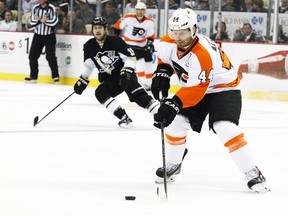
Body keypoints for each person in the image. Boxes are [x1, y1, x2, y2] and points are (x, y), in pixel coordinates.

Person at [151, 8, 270, 193]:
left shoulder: (202, 53)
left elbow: (197, 89)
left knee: (225, 127)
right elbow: (165, 60)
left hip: (224, 88)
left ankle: (252, 172)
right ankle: (174, 163)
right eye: (174, 32)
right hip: (197, 85)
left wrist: (172, 104)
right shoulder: (167, 41)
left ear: (194, 29)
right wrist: (162, 73)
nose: (178, 37)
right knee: (175, 124)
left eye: (183, 32)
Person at [73, 17, 159, 128]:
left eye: (100, 28)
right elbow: (89, 66)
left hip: (124, 75)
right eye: (95, 28)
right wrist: (82, 81)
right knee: (100, 92)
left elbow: (131, 56)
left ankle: (158, 113)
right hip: (109, 80)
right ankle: (124, 118)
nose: (98, 30)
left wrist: (127, 72)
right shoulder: (89, 46)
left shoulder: (116, 41)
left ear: (105, 29)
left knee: (136, 95)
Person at [114, 2, 155, 91]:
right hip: (130, 45)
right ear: (135, 10)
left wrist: (150, 44)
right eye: (138, 9)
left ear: (145, 11)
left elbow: (151, 36)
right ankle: (144, 84)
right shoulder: (128, 17)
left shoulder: (149, 21)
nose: (140, 12)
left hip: (143, 45)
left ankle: (149, 84)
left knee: (148, 64)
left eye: (142, 10)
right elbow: (117, 27)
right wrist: (116, 39)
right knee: (139, 64)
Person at [25, 0, 60, 84]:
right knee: (32, 56)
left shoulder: (51, 8)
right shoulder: (35, 7)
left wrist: (44, 21)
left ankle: (55, 76)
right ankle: (33, 76)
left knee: (50, 56)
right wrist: (41, 20)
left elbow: (54, 21)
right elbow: (32, 21)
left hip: (49, 35)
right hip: (38, 35)